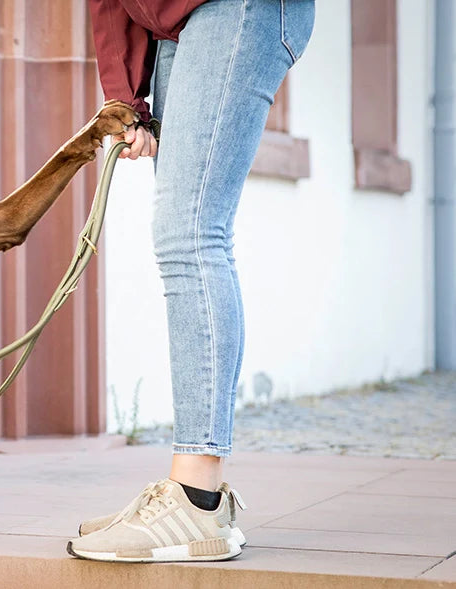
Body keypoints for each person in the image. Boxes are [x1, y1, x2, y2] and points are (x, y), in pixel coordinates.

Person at [68, 0, 315, 563]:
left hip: (234, 8)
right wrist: (124, 99)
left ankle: (196, 498)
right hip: (175, 25)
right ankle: (196, 495)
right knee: (187, 234)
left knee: (192, 233)